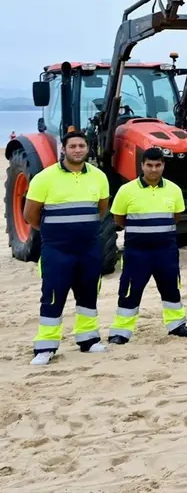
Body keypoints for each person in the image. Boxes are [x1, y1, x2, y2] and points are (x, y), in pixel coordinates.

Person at [25, 130, 111, 365]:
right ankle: (46, 346)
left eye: (81, 146)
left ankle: (89, 340)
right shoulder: (44, 177)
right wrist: (55, 233)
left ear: (87, 149)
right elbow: (30, 215)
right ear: (64, 149)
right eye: (72, 146)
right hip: (57, 250)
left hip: (89, 249)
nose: (77, 150)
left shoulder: (99, 177)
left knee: (88, 294)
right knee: (53, 295)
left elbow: (101, 209)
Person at [107, 147, 187, 343]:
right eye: (149, 165)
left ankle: (177, 325)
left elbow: (176, 217)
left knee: (171, 287)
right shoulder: (126, 190)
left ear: (163, 166)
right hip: (136, 252)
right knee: (130, 289)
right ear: (142, 166)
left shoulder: (174, 190)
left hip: (165, 251)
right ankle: (121, 332)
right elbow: (119, 218)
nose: (153, 169)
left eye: (158, 165)